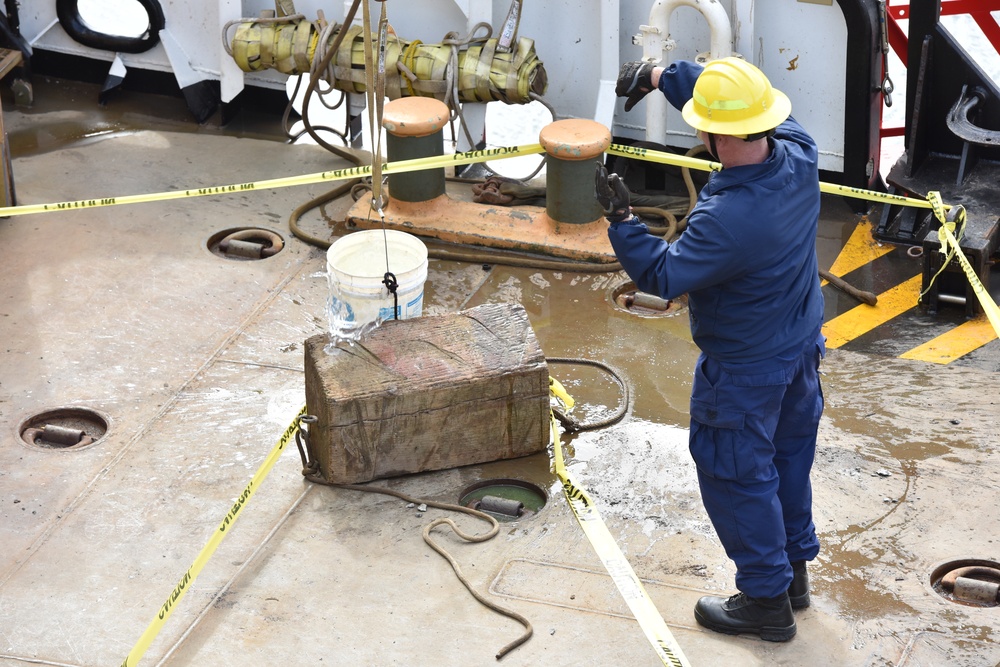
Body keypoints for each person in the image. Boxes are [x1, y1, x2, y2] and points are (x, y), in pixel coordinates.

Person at [596, 57, 826, 642]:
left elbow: (662, 276)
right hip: (799, 349)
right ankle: (792, 575)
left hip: (745, 371)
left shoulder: (726, 220)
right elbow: (728, 97)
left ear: (711, 135)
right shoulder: (799, 152)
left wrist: (621, 219)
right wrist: (658, 76)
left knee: (736, 475)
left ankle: (766, 602)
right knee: (786, 462)